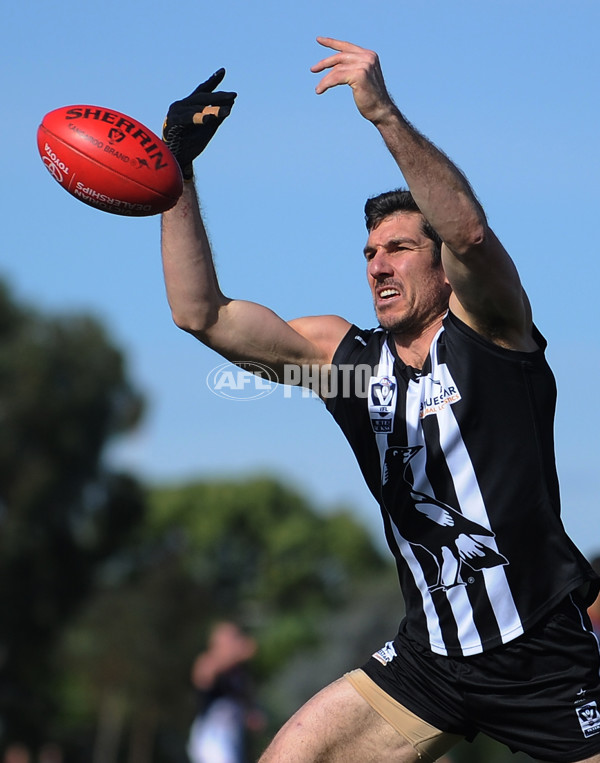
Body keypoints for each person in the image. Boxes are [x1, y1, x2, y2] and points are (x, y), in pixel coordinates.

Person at [160, 36, 600, 763]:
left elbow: (469, 229)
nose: (378, 264)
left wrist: (384, 115)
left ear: (443, 267)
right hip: (429, 660)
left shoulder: (494, 332)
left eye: (398, 247)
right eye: (368, 252)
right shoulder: (348, 364)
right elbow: (201, 315)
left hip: (542, 654)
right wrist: (174, 172)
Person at [187, 621, 264, 763]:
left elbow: (243, 700)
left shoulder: (239, 672)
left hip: (232, 736)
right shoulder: (207, 661)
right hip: (211, 737)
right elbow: (204, 676)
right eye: (232, 638)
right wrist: (236, 654)